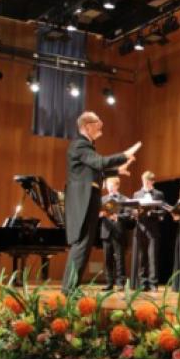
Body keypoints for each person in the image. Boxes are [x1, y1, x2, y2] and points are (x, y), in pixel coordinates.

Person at [61, 111, 139, 295]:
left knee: (84, 244)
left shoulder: (86, 147)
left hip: (88, 198)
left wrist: (118, 171)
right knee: (82, 243)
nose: (101, 124)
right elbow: (100, 163)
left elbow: (98, 170)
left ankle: (70, 287)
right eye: (98, 121)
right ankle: (69, 288)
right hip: (83, 200)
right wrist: (124, 155)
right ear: (87, 126)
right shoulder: (80, 145)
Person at [133, 171, 165, 291]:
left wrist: (152, 213)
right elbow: (132, 210)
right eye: (144, 180)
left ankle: (153, 284)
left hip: (153, 229)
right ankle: (142, 283)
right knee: (142, 257)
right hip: (140, 228)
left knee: (152, 257)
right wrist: (135, 213)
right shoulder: (137, 194)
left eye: (148, 181)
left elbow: (162, 211)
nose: (145, 183)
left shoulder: (158, 194)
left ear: (153, 181)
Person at [99, 177, 131, 291]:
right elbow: (97, 214)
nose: (110, 188)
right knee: (107, 259)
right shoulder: (102, 199)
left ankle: (120, 283)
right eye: (108, 186)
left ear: (117, 186)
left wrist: (118, 217)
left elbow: (128, 215)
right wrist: (100, 214)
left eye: (112, 186)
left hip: (119, 231)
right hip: (106, 231)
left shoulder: (124, 199)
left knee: (119, 258)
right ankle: (109, 283)